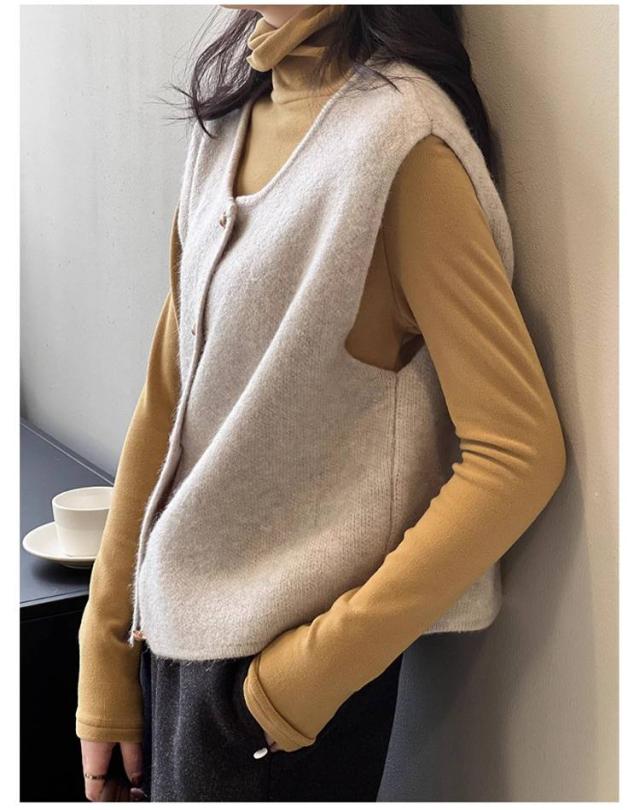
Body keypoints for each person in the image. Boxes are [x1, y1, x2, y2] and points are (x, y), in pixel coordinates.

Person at [76, 4, 567, 802]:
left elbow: (519, 451)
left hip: (270, 700)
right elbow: (169, 397)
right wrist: (103, 646)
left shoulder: (400, 143)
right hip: (169, 651)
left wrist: (303, 681)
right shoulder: (230, 117)